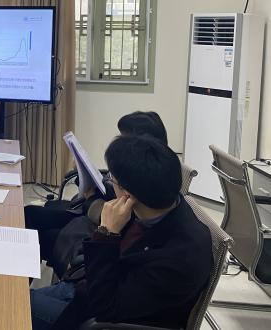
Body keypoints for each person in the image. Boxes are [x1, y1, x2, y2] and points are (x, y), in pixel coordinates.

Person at [31, 135, 212, 330]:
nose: (110, 182)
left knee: (10, 304)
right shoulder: (158, 203)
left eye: (112, 179)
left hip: (94, 316)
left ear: (128, 194)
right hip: (85, 288)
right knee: (13, 292)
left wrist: (106, 234)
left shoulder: (181, 258)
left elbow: (104, 307)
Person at [24, 111, 168, 264]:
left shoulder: (145, 190)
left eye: (124, 139)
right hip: (88, 216)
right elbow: (111, 195)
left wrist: (91, 196)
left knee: (39, 235)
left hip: (94, 229)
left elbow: (114, 218)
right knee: (30, 214)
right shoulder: (143, 171)